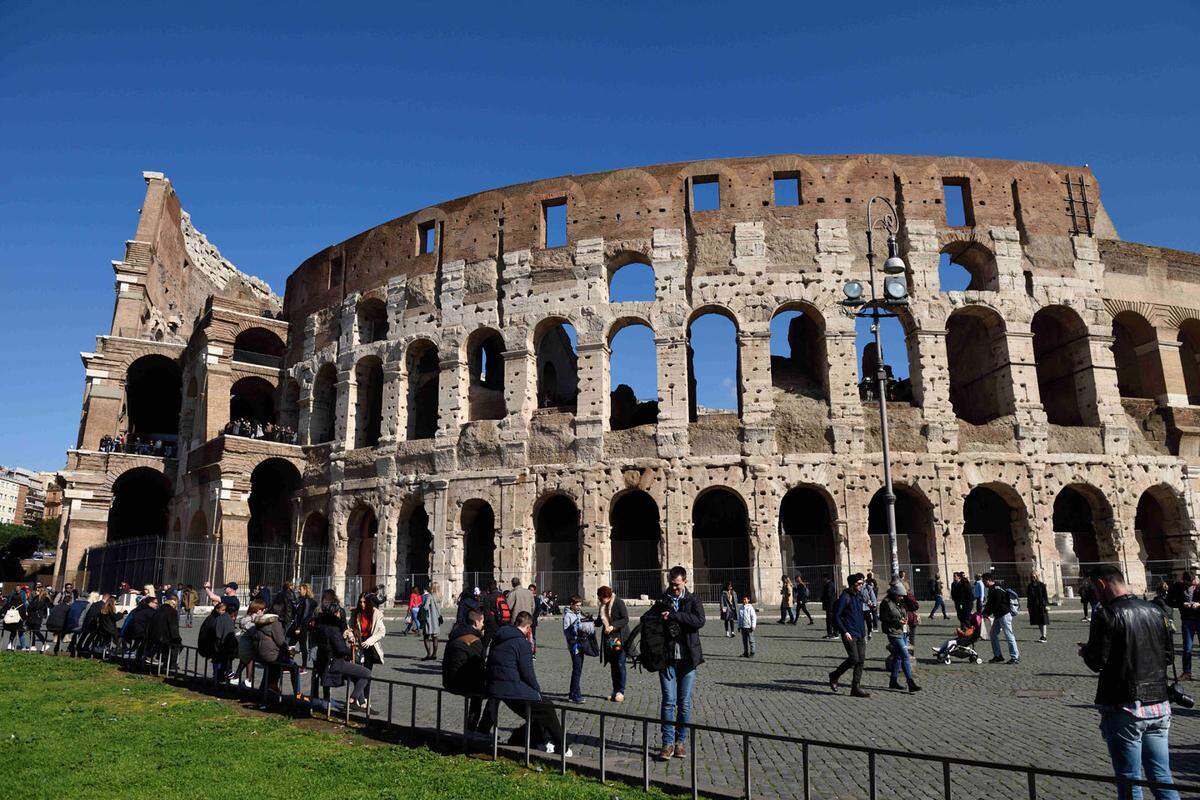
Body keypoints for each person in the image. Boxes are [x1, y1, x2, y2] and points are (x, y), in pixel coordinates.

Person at [1080, 565, 1179, 800]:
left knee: (1129, 780)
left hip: (1125, 706)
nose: (1095, 594)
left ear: (1102, 584)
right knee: (1162, 776)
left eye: (1094, 588)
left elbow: (1097, 662)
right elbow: (1168, 657)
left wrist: (1086, 652)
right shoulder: (1156, 611)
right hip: (1159, 704)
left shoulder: (1106, 614)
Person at [485, 610, 571, 755]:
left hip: (496, 687)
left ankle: (524, 739)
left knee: (536, 712)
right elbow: (528, 673)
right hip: (511, 688)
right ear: (528, 627)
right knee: (546, 708)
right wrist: (537, 691)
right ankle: (562, 746)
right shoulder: (522, 643)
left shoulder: (499, 637)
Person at [654, 565, 705, 760]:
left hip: (688, 659)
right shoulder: (662, 600)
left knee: (683, 704)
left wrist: (675, 616)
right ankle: (667, 744)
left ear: (685, 581)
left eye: (677, 585)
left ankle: (680, 742)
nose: (674, 588)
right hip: (667, 659)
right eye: (671, 585)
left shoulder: (693, 600)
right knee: (668, 702)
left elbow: (699, 621)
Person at [443, 608, 487, 731]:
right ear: (476, 623)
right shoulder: (474, 640)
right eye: (482, 621)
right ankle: (477, 729)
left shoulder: (457, 632)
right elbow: (478, 666)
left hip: (448, 677)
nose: (483, 625)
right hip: (459, 681)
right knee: (494, 692)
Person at [829, 572, 869, 697]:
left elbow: (862, 614)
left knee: (861, 660)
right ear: (852, 584)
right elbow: (836, 616)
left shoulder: (859, 596)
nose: (861, 586)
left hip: (861, 633)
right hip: (849, 633)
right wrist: (844, 631)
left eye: (862, 584)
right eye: (858, 584)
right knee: (854, 658)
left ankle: (855, 687)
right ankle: (834, 675)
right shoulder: (845, 597)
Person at [881, 585, 921, 693]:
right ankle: (910, 682)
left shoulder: (901, 601)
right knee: (905, 655)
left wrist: (906, 595)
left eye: (902, 596)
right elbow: (883, 618)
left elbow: (914, 607)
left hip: (903, 632)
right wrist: (897, 622)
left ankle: (893, 681)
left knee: (898, 657)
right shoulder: (886, 603)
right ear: (894, 594)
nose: (901, 598)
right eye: (899, 596)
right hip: (893, 632)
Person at [597, 586, 629, 702]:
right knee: (613, 666)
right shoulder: (602, 606)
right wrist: (587, 620)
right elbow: (599, 622)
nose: (601, 601)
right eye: (600, 599)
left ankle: (621, 691)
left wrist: (612, 626)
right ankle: (615, 691)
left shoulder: (618, 603)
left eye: (602, 598)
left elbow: (625, 619)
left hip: (620, 638)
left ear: (608, 596)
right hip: (609, 640)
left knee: (620, 664)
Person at [1168, 572, 1199, 680]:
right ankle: (1187, 673)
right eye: (1188, 583)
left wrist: (1198, 604)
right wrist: (1181, 604)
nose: (1191, 585)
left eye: (1192, 583)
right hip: (1187, 620)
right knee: (1187, 648)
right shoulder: (1177, 587)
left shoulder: (1198, 586)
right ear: (1183, 581)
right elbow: (1169, 601)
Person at [983, 572, 1020, 665]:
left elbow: (996, 603)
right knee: (993, 634)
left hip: (1004, 614)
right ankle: (998, 655)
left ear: (989, 580)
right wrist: (984, 612)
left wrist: (987, 612)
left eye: (984, 581)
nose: (984, 583)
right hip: (998, 615)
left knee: (1009, 635)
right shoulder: (992, 589)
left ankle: (1015, 657)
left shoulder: (997, 589)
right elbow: (990, 603)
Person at [562, 595, 592, 703]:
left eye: (580, 605)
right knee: (577, 670)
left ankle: (573, 693)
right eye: (577, 605)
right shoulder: (567, 616)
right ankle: (575, 695)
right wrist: (576, 630)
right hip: (574, 646)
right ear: (571, 604)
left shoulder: (578, 613)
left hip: (581, 643)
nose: (579, 607)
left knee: (578, 669)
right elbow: (566, 632)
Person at [198, 601, 237, 685]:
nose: (223, 612)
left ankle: (218, 675)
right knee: (221, 659)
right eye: (222, 610)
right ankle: (220, 675)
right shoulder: (216, 619)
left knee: (219, 660)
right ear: (217, 609)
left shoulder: (216, 618)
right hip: (212, 645)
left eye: (224, 611)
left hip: (212, 644)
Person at [349, 593, 386, 671]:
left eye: (364, 602)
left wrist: (369, 641)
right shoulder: (356, 613)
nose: (362, 604)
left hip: (369, 643)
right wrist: (351, 636)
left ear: (369, 602)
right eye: (360, 602)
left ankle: (366, 682)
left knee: (367, 669)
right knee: (357, 668)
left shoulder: (376, 613)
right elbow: (350, 627)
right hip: (358, 642)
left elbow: (382, 631)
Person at [147, 594, 182, 671]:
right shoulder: (172, 612)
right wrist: (177, 638)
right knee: (177, 645)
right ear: (174, 602)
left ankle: (165, 661)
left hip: (154, 636)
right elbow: (173, 628)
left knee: (170, 645)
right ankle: (170, 664)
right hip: (163, 638)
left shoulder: (158, 610)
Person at [291, 584, 316, 667]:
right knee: (290, 644)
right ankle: (289, 663)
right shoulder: (301, 599)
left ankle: (304, 666)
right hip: (297, 625)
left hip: (302, 627)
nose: (298, 591)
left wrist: (299, 627)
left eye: (300, 589)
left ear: (305, 590)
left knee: (302, 646)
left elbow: (305, 615)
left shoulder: (307, 600)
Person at [419, 582, 443, 661]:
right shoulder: (440, 596)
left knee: (426, 637)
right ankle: (434, 654)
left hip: (429, 619)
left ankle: (429, 654)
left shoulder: (430, 596)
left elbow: (425, 607)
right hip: (436, 619)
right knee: (435, 638)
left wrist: (421, 605)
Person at [1027, 571, 1050, 643]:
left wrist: (1046, 605)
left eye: (1034, 576)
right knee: (1038, 621)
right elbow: (1029, 597)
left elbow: (1045, 596)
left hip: (1041, 605)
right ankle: (1042, 635)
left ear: (1037, 576)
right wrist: (1028, 606)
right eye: (1032, 577)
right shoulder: (1029, 586)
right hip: (1034, 606)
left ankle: (1044, 636)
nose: (1033, 578)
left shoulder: (1042, 585)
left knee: (1043, 620)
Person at [860, 576, 878, 641]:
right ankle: (863, 635)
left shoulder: (867, 587)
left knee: (869, 622)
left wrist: (874, 604)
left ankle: (869, 632)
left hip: (867, 607)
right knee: (861, 622)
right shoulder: (856, 587)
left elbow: (872, 596)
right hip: (859, 608)